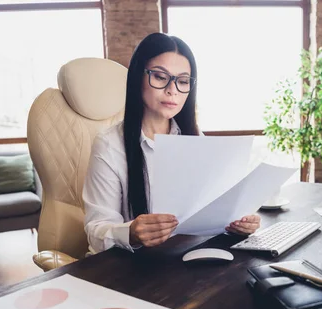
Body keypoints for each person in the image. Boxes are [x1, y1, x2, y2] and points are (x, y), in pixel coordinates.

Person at [83, 33, 261, 255]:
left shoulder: (194, 137)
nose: (172, 89)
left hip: (184, 256)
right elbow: (96, 230)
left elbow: (214, 204)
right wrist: (131, 232)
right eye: (160, 77)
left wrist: (239, 221)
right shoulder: (109, 145)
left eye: (183, 81)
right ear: (139, 76)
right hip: (131, 267)